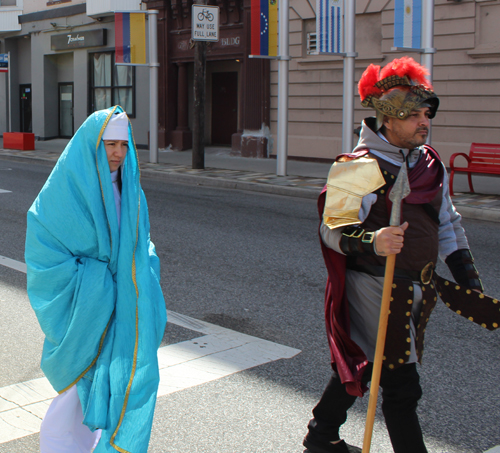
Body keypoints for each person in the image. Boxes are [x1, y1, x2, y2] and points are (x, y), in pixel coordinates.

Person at [303, 57, 499, 453]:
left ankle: (322, 433)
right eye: (414, 115)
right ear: (388, 119)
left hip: (417, 288)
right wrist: (374, 241)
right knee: (400, 384)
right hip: (374, 286)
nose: (424, 122)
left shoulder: (430, 162)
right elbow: (331, 231)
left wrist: (470, 283)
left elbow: (448, 224)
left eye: (427, 113)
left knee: (372, 364)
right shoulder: (356, 167)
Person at [25, 106, 167, 453]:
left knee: (129, 383)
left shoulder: (132, 189)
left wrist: (142, 266)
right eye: (109, 144)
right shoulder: (65, 189)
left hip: (125, 306)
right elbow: (45, 249)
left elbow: (141, 239)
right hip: (85, 311)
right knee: (75, 395)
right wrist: (98, 282)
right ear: (92, 144)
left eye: (124, 144)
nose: (118, 153)